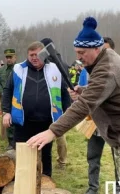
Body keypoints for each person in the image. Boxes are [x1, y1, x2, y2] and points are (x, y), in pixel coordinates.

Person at [27, 17, 120, 190]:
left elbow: (83, 106)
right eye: (76, 52)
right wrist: (84, 90)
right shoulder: (105, 57)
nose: (78, 58)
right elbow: (107, 90)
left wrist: (52, 131)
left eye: (82, 53)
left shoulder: (107, 68)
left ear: (96, 48)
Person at [2, 41, 70, 177]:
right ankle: (22, 181)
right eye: (31, 55)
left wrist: (67, 113)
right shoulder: (18, 69)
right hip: (23, 121)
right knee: (22, 152)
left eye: (37, 54)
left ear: (43, 54)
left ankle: (45, 180)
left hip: (46, 122)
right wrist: (6, 112)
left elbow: (64, 93)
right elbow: (8, 90)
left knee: (45, 154)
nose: (34, 57)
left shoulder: (55, 69)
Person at [78, 36, 119, 193]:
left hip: (111, 124)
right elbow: (88, 93)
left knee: (116, 157)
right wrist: (80, 92)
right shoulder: (87, 70)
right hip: (93, 122)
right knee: (93, 156)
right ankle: (92, 187)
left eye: (105, 50)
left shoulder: (114, 68)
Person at [40, 38, 70, 169]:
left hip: (55, 102)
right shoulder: (61, 60)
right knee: (59, 132)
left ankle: (59, 160)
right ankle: (62, 160)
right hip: (62, 102)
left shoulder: (51, 62)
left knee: (57, 132)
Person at [0, 49, 17, 150]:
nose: (8, 59)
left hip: (17, 98)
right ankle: (11, 141)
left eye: (10, 57)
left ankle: (19, 139)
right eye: (7, 57)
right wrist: (3, 92)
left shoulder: (19, 68)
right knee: (7, 120)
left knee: (17, 118)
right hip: (6, 99)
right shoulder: (1, 70)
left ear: (15, 57)